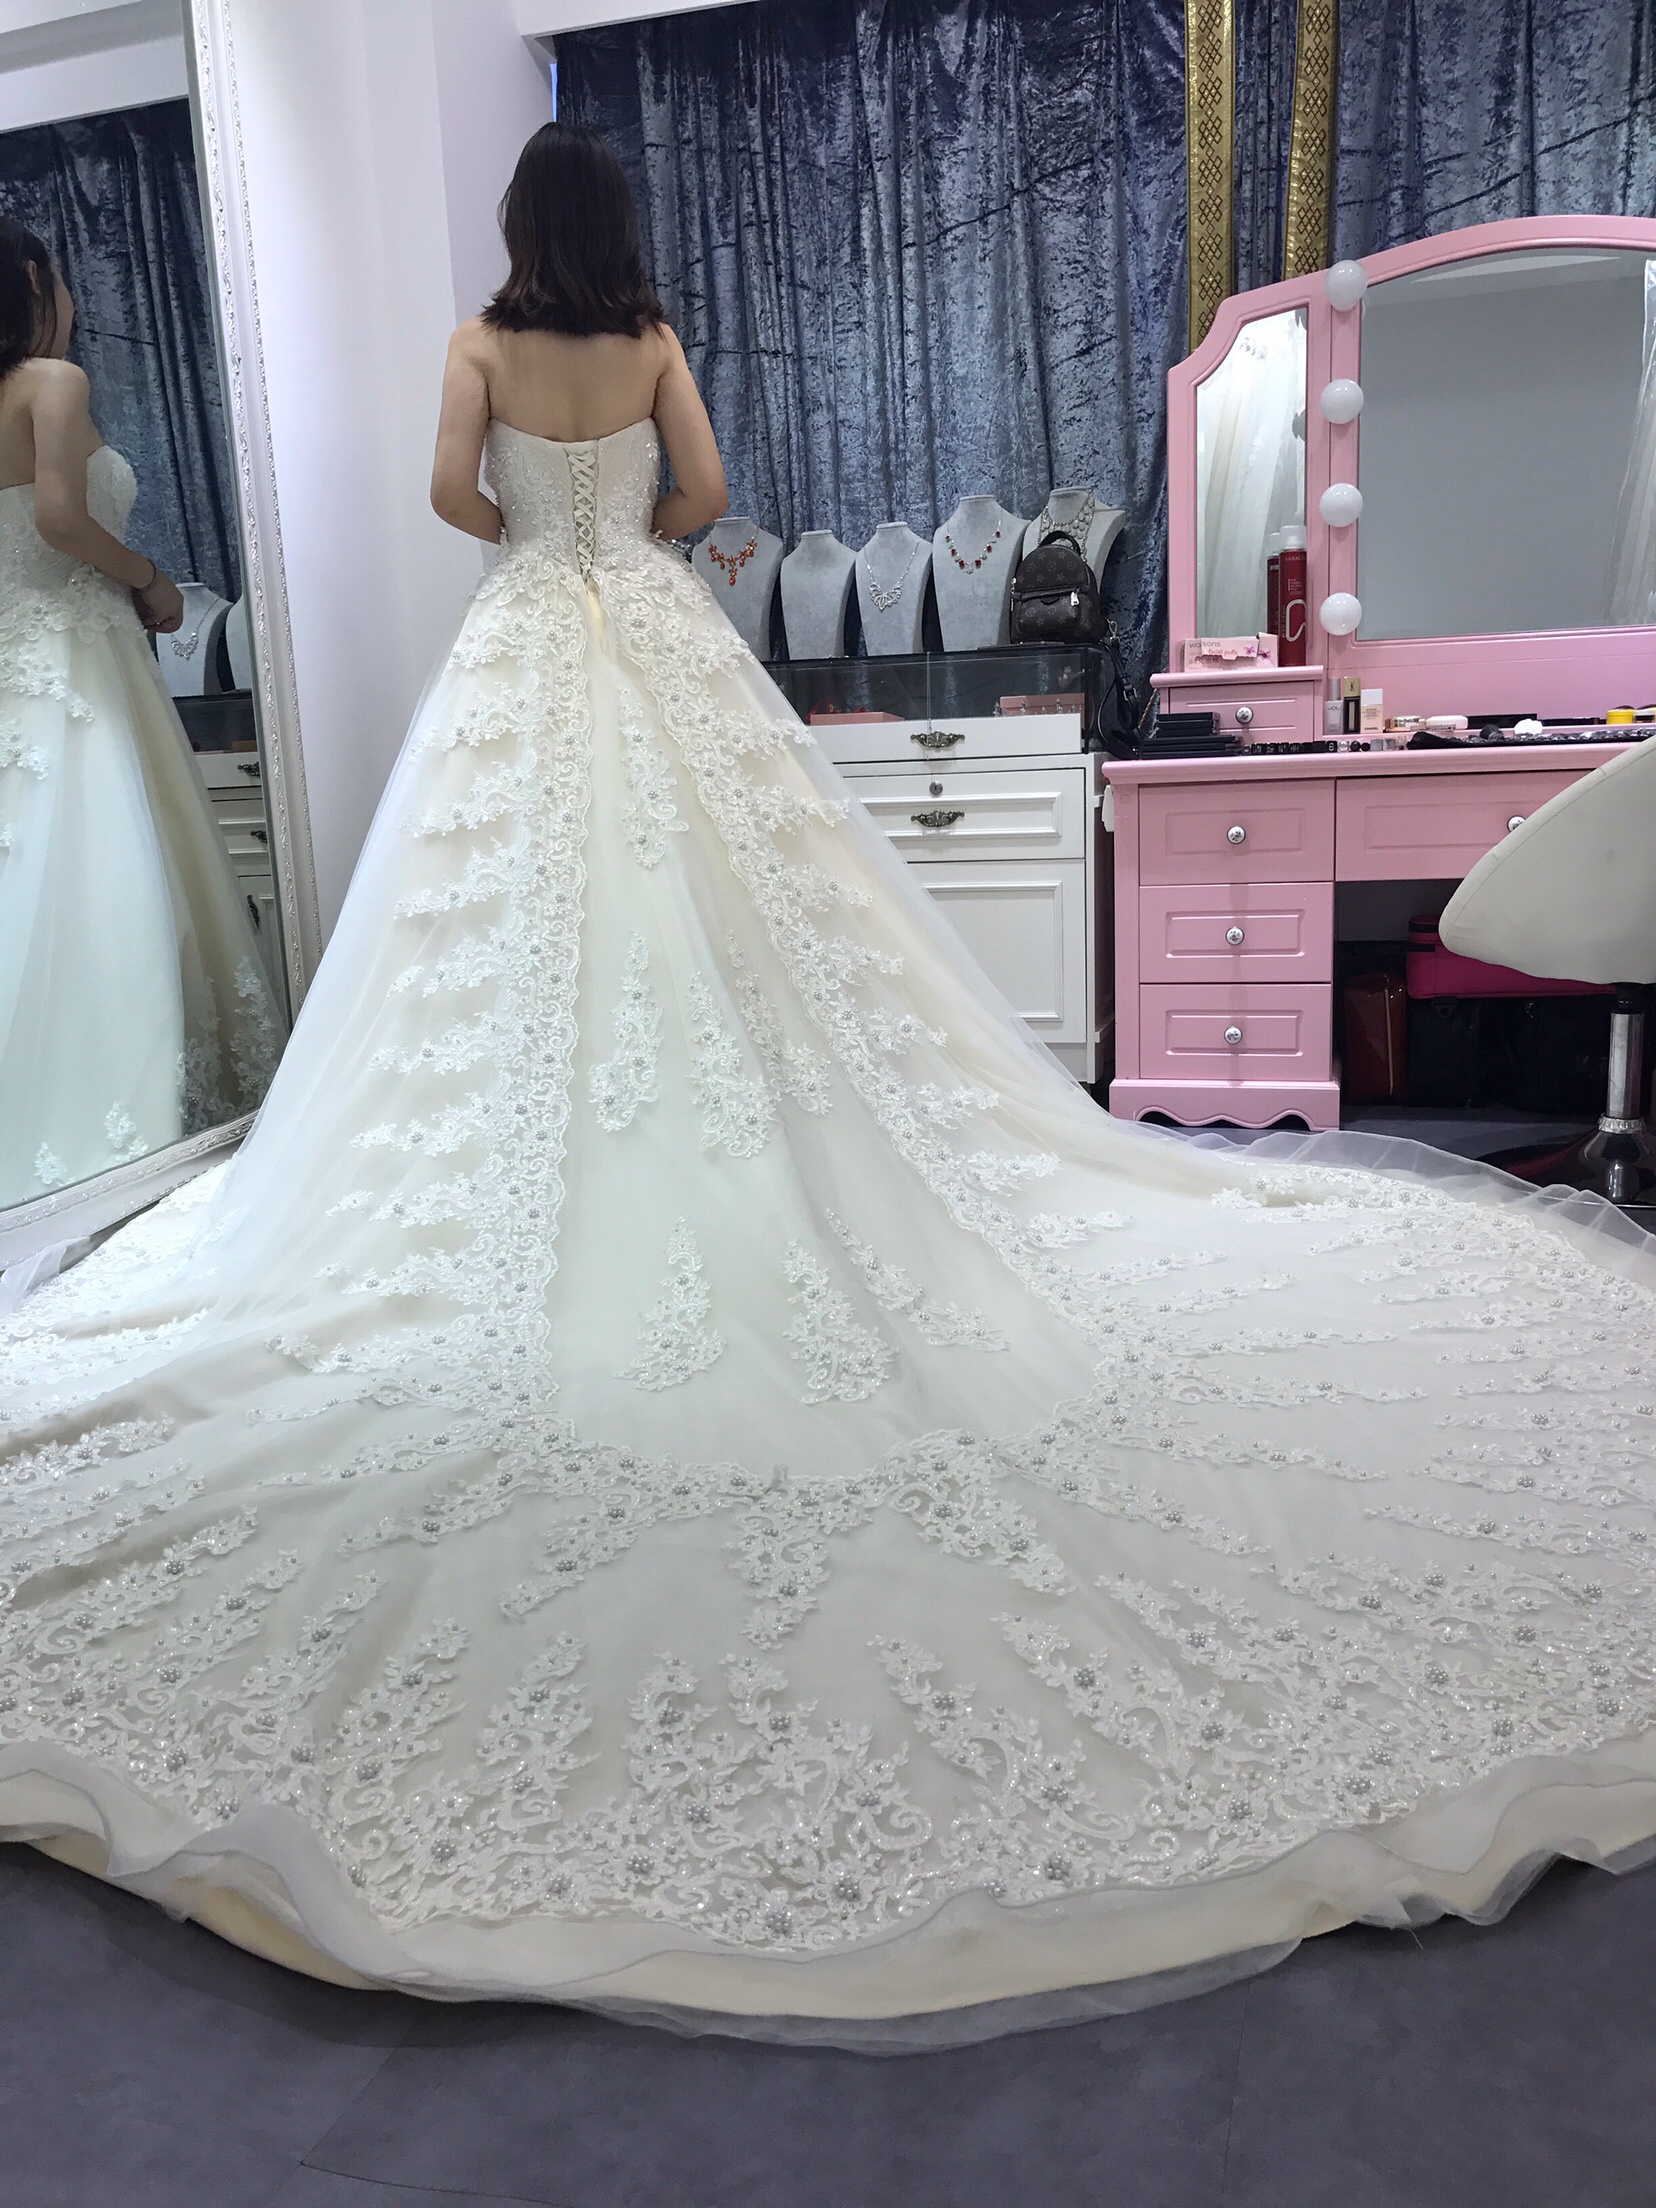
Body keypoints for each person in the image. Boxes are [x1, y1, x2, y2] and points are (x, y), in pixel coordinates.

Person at [1, 128, 1654, 2049]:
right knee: (742, 912)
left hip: (529, 639)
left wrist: (533, 524)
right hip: (653, 631)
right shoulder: (650, 338)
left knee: (513, 914)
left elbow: (450, 496)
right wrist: (627, 520)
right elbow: (707, 495)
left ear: (516, 231)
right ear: (620, 230)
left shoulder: (474, 344)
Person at [0, 215, 284, 1207]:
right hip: (78, 653)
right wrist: (150, 578)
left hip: (17, 651)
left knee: (41, 863)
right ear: (32, 281)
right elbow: (59, 517)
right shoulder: (52, 381)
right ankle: (125, 1106)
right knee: (106, 857)